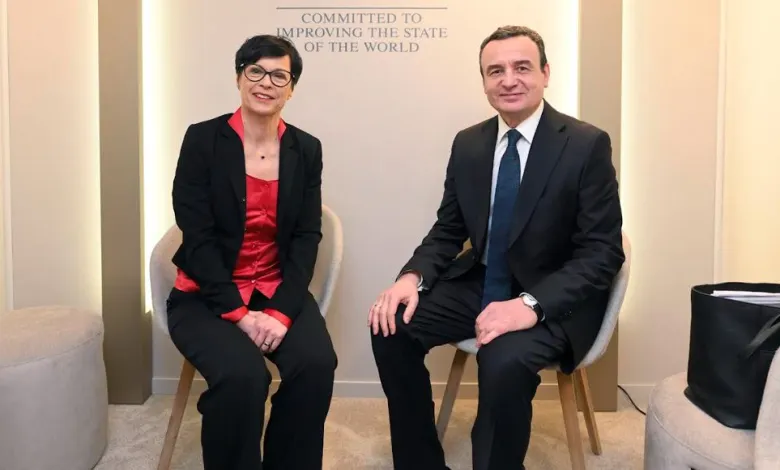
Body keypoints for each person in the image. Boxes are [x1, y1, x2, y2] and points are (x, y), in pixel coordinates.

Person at [368, 25, 625, 470]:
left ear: (545, 73)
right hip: (483, 280)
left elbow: (602, 253)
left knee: (502, 360)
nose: (509, 80)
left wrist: (529, 305)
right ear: (484, 81)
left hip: (552, 295)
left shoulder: (585, 144)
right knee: (390, 326)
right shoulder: (469, 143)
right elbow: (448, 230)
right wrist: (411, 278)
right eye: (495, 71)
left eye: (522, 67)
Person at [166, 34, 337, 470]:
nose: (266, 83)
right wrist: (240, 315)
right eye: (256, 71)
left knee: (316, 364)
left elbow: (306, 236)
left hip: (275, 290)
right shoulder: (203, 140)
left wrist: (280, 312)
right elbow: (198, 237)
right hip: (205, 295)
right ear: (239, 77)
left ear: (291, 88)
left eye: (279, 75)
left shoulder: (307, 148)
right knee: (244, 376)